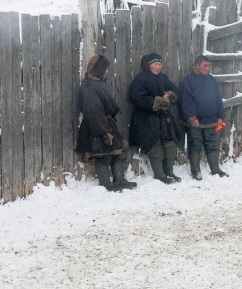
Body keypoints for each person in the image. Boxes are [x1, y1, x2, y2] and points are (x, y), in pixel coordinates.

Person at [75, 54, 138, 191]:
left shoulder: (97, 82)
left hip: (105, 122)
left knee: (120, 149)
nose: (107, 71)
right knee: (102, 155)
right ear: (99, 69)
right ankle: (107, 185)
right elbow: (93, 111)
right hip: (97, 125)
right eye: (105, 68)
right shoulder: (89, 86)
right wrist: (104, 132)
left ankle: (119, 180)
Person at [129, 52, 181, 184]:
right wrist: (157, 101)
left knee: (170, 144)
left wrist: (170, 95)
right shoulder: (141, 79)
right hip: (146, 119)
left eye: (160, 64)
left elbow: (174, 90)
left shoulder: (163, 78)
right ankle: (160, 175)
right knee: (155, 146)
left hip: (164, 118)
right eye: (155, 64)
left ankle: (169, 172)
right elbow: (137, 97)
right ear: (149, 65)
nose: (158, 67)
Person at [179, 55, 228, 180]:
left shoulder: (211, 80)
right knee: (195, 145)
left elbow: (218, 99)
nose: (207, 68)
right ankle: (196, 171)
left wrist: (220, 115)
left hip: (212, 120)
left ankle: (215, 169)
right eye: (205, 66)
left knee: (212, 145)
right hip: (196, 121)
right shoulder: (188, 81)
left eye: (209, 66)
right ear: (196, 66)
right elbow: (186, 101)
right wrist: (191, 117)